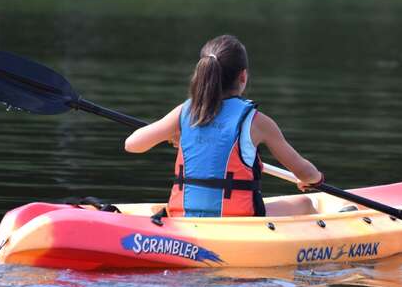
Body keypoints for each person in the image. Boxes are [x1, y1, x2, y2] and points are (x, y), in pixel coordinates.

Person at [125, 34, 323, 217]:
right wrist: (314, 179)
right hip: (237, 221)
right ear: (243, 76)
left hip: (184, 218)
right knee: (305, 203)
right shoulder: (258, 122)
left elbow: (132, 144)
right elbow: (306, 173)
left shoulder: (184, 112)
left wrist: (174, 132)